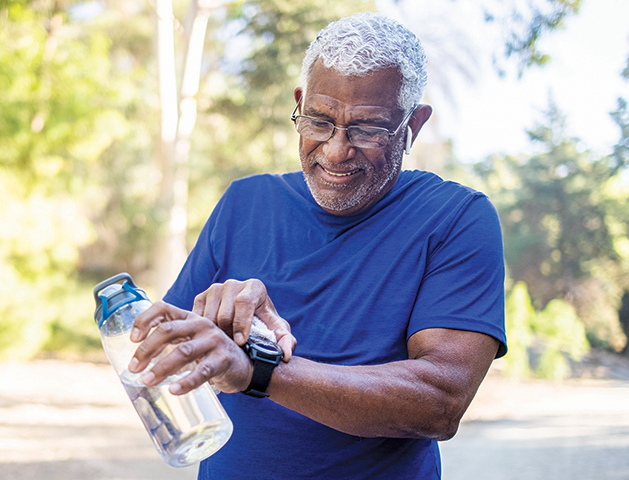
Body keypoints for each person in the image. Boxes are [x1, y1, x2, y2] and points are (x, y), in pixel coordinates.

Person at [128, 12, 507, 479]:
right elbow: (163, 367)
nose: (335, 150)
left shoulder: (457, 217)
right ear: (299, 103)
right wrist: (207, 331)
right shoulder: (245, 203)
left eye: (368, 129)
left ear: (414, 125)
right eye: (319, 121)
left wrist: (259, 367)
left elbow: (440, 400)